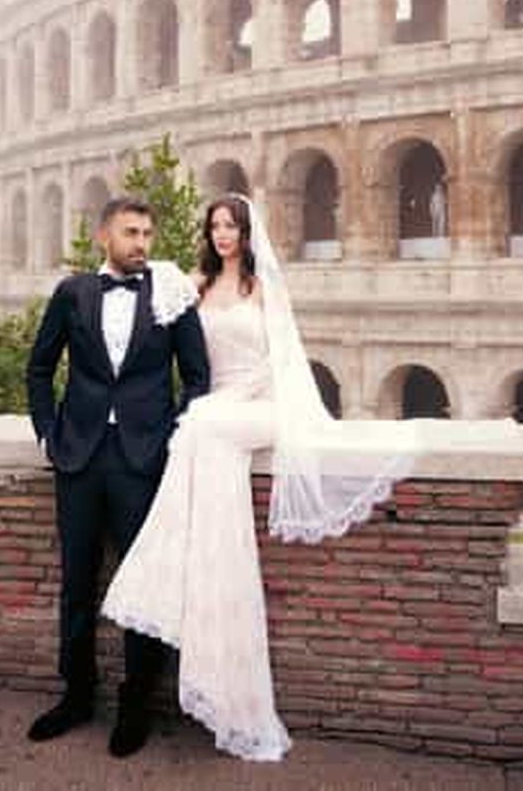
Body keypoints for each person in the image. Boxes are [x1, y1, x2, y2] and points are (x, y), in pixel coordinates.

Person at [101, 194, 411, 761]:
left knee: (200, 427)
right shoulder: (191, 285)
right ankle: (206, 578)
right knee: (199, 426)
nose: (223, 235)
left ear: (248, 233)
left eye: (232, 226)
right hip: (215, 412)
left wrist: (231, 400)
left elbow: (285, 369)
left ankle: (160, 567)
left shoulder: (264, 289)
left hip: (259, 408)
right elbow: (151, 341)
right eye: (215, 225)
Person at [26, 195, 210, 758]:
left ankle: (136, 707)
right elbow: (38, 368)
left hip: (141, 461)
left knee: (143, 588)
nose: (143, 243)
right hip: (78, 457)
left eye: (149, 234)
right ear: (104, 235)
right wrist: (47, 435)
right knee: (76, 582)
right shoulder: (72, 293)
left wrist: (168, 438)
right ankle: (76, 696)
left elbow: (198, 379)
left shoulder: (172, 295)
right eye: (132, 232)